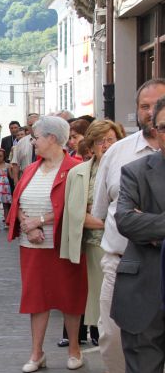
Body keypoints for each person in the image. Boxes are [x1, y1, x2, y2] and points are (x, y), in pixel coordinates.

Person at [91, 79, 165, 373]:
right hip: (124, 265)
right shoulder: (120, 155)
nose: (151, 114)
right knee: (113, 341)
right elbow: (114, 216)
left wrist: (147, 223)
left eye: (158, 107)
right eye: (145, 107)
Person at [7, 116, 87, 373]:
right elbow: (17, 200)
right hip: (31, 245)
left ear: (52, 138)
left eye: (36, 137)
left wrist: (39, 221)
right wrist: (26, 225)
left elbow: (72, 206)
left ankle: (75, 348)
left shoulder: (75, 167)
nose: (33, 142)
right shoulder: (31, 168)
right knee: (36, 298)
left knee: (69, 295)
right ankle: (36, 352)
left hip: (61, 242)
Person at [60, 120, 122, 352]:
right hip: (92, 247)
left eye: (110, 140)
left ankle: (114, 359)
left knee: (116, 307)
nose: (105, 146)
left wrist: (101, 220)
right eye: (99, 141)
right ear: (91, 145)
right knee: (99, 306)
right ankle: (109, 358)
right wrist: (109, 221)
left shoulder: (130, 168)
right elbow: (75, 214)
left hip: (122, 248)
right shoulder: (78, 173)